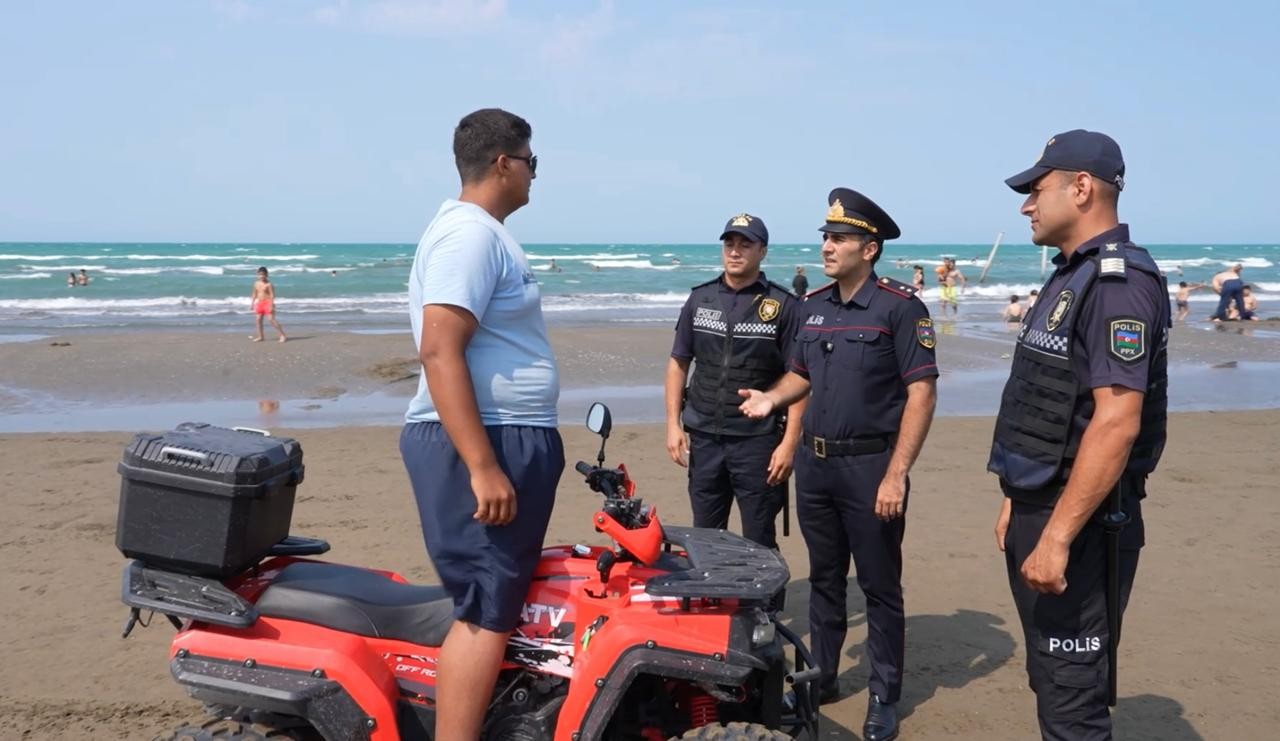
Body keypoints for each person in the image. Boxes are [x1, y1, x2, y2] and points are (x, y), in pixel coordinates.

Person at [739, 189, 938, 741]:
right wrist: (771, 400)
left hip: (872, 467)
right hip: (817, 468)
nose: (826, 246)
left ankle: (883, 694)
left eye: (838, 238)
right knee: (825, 578)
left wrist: (897, 472)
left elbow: (921, 393)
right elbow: (800, 374)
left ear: (869, 248)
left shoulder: (900, 308)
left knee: (879, 585)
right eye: (825, 237)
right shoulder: (814, 306)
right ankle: (822, 676)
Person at [991, 129, 1170, 740]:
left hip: (1087, 525)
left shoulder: (1118, 284)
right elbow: (1049, 403)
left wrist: (1058, 536)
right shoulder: (1070, 276)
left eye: (1036, 190)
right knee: (1052, 679)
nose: (1026, 205)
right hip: (1042, 507)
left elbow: (1116, 423)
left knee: (1072, 701)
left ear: (1083, 187)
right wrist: (1016, 500)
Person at [400, 108, 561, 741]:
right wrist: (483, 464)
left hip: (504, 433)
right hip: (484, 437)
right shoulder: (468, 235)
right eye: (532, 163)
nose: (534, 176)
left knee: (499, 599)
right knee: (485, 609)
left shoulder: (485, 233)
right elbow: (440, 349)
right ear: (504, 163)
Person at [665, 213, 805, 550]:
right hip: (704, 437)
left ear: (763, 251)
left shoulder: (783, 305)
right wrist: (673, 424)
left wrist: (789, 444)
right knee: (706, 536)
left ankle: (762, 605)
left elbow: (801, 378)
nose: (735, 251)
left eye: (746, 244)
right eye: (730, 243)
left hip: (757, 442)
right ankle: (714, 600)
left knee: (758, 536)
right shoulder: (700, 299)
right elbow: (678, 363)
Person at [250, 267, 287, 342]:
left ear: (266, 275)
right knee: (258, 320)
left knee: (271, 320)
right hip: (259, 303)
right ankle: (261, 336)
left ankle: (282, 335)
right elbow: (254, 294)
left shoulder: (269, 284)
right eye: (260, 274)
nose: (262, 276)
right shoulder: (256, 283)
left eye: (263, 274)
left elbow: (272, 295)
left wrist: (271, 305)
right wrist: (252, 303)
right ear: (257, 275)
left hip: (267, 302)